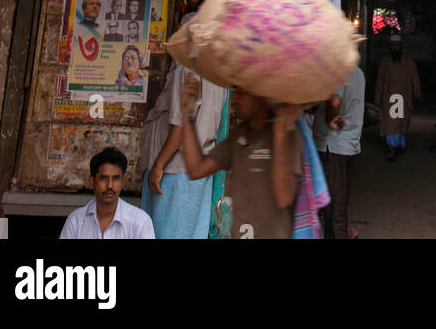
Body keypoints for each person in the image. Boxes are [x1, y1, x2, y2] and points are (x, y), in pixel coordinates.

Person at [180, 75, 303, 239]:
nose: (235, 99)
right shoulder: (238, 136)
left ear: (261, 95)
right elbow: (196, 169)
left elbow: (284, 198)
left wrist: (280, 132)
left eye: (242, 93)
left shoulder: (286, 134)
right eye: (235, 92)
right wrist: (187, 114)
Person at [139, 38, 226, 239]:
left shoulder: (185, 67)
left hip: (175, 172)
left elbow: (179, 125)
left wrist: (158, 165)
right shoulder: (217, 71)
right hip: (198, 170)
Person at [312, 62, 365, 239]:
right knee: (338, 205)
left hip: (333, 146)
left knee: (334, 211)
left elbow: (335, 100)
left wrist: (329, 119)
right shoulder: (358, 72)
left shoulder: (339, 71)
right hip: (349, 145)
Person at [59, 146, 154, 240]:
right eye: (103, 178)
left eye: (116, 178)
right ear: (92, 181)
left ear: (123, 182)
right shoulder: (76, 221)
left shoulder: (140, 221)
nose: (110, 185)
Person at [373, 33, 421, 161]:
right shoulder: (385, 62)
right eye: (392, 45)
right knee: (390, 124)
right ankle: (392, 150)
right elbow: (380, 80)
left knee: (401, 122)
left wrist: (417, 91)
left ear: (401, 46)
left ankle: (399, 145)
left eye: (397, 45)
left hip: (404, 98)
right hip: (389, 99)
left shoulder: (408, 61)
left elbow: (415, 77)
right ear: (390, 46)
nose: (395, 47)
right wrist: (377, 98)